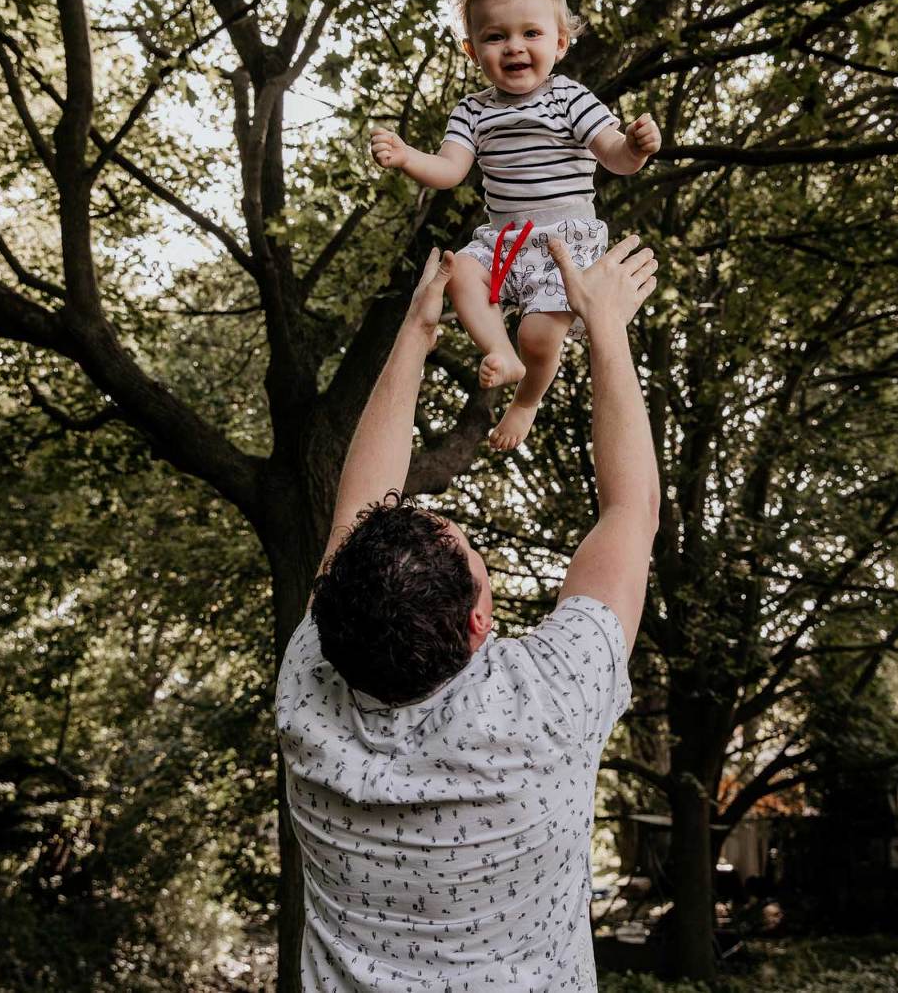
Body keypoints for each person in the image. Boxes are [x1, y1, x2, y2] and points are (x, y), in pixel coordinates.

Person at [275, 233, 660, 989]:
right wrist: (606, 328)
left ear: (331, 602)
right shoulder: (548, 704)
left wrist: (417, 331)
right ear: (479, 626)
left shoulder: (309, 687)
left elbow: (359, 511)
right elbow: (630, 511)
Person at [369, 0, 662, 451]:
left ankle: (525, 400)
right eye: (496, 36)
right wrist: (407, 156)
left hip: (562, 244)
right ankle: (499, 353)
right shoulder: (472, 111)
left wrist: (634, 148)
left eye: (530, 33)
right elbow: (449, 170)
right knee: (458, 269)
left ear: (560, 42)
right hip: (502, 239)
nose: (514, 47)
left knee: (540, 336)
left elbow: (611, 153)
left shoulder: (570, 97)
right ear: (472, 50)